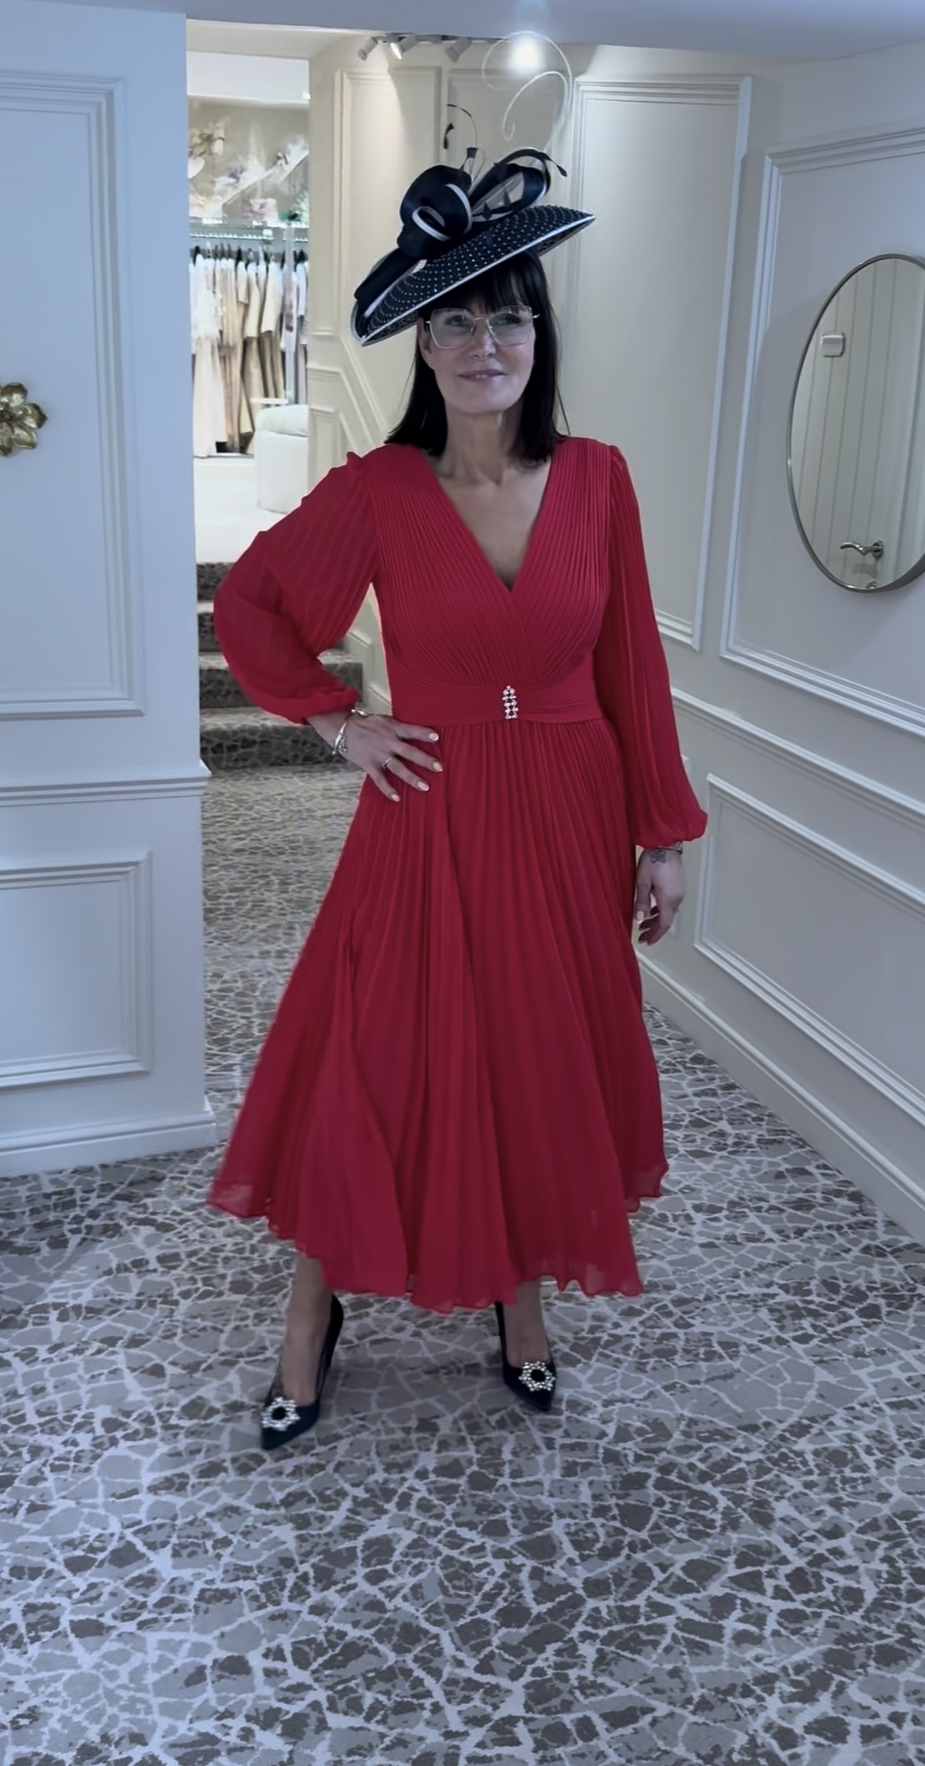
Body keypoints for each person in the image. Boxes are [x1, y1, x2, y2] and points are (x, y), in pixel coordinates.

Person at [208, 149, 708, 1450]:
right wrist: (337, 721)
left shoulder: (597, 478)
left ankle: (518, 1298)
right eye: (457, 321)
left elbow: (632, 668)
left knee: (534, 1059)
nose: (487, 344)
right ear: (421, 348)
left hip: (569, 812)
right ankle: (311, 1313)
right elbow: (252, 603)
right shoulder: (380, 491)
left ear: (540, 337)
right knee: (375, 1059)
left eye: (510, 317)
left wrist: (661, 833)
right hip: (428, 809)